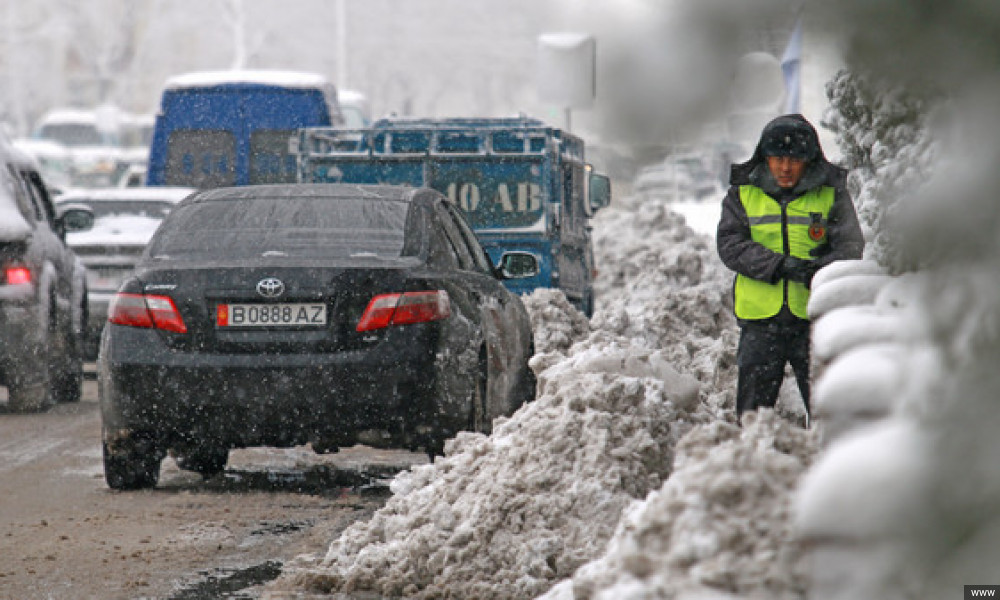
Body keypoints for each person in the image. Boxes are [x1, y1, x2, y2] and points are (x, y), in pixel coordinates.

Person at [717, 114, 864, 424]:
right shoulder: (743, 193)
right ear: (765, 158)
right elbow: (730, 245)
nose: (785, 168)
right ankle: (752, 465)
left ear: (809, 160)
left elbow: (850, 247)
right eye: (777, 158)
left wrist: (815, 269)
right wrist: (780, 265)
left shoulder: (831, 193)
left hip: (814, 320)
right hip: (760, 323)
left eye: (794, 160)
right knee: (753, 418)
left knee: (827, 410)